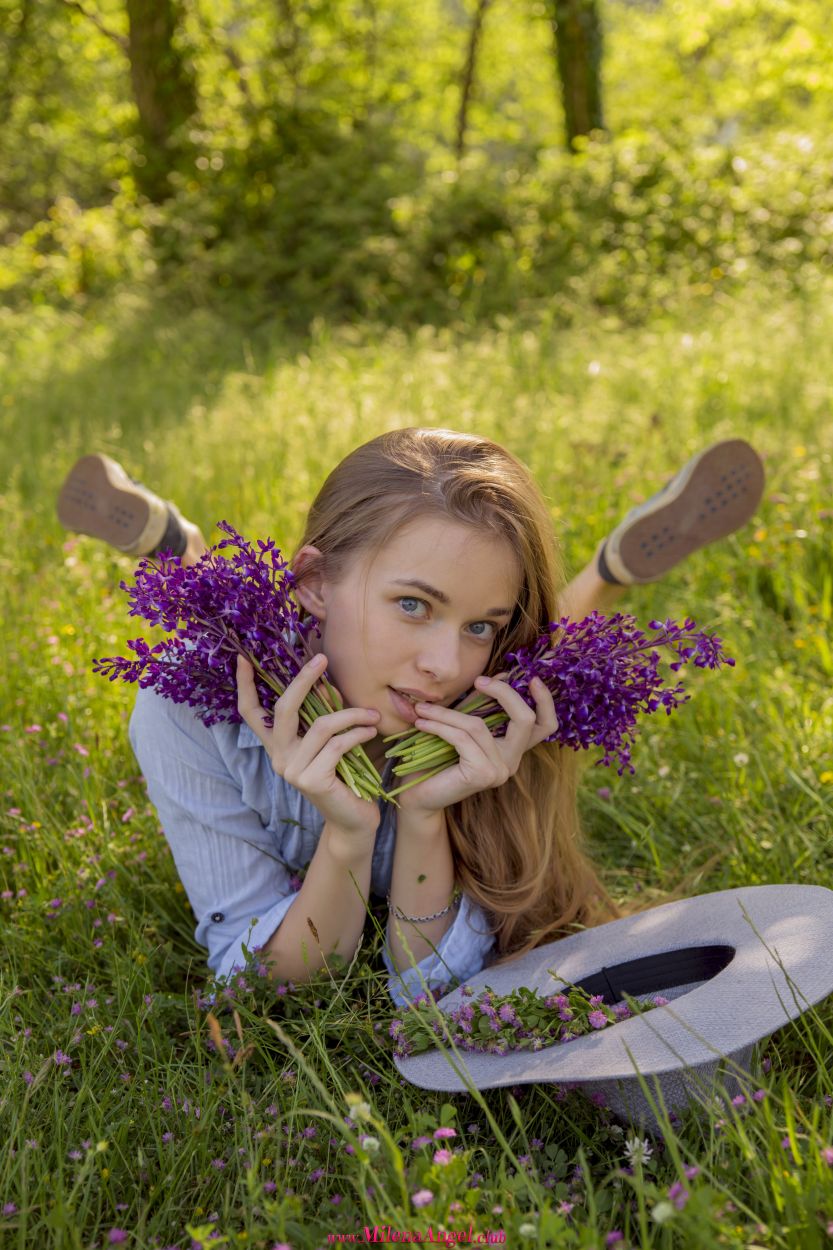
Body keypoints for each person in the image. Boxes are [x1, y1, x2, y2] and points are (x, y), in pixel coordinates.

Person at [57, 431, 765, 1007]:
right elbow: (269, 986)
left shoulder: (483, 705)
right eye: (412, 606)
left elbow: (428, 986)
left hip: (390, 635)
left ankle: (607, 568)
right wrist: (347, 838)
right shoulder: (184, 707)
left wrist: (424, 817)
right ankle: (170, 541)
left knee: (543, 666)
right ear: (313, 582)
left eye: (480, 626)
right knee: (231, 612)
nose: (444, 667)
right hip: (277, 631)